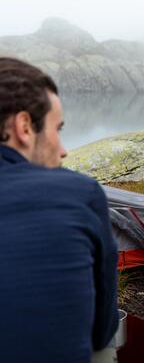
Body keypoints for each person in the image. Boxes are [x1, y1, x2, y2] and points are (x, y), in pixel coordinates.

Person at [0, 58, 119, 363]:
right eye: (58, 128)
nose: (64, 149)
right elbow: (102, 330)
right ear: (24, 127)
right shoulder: (81, 193)